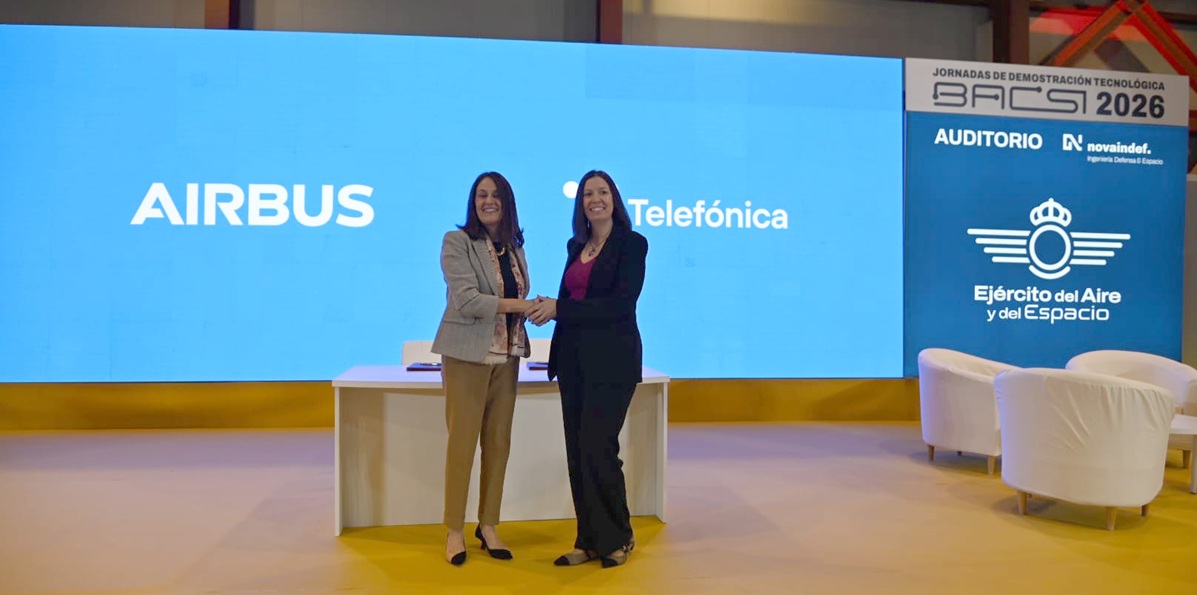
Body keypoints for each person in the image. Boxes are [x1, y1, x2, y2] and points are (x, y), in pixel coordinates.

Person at [526, 170, 648, 569]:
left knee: (599, 448)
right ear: (580, 204)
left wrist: (560, 308)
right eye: (588, 194)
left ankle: (619, 536)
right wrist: (549, 308)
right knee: (578, 453)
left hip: (612, 362)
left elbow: (620, 305)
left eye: (603, 192)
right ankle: (589, 540)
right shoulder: (575, 245)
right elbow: (572, 300)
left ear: (614, 199)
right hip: (573, 360)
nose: (596, 199)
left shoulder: (632, 244)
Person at [431, 171, 535, 566]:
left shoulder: (514, 247)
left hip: (507, 357)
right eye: (481, 195)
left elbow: (516, 294)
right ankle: (455, 530)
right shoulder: (457, 241)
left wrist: (535, 308)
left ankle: (488, 525)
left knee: (498, 444)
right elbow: (469, 301)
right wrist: (525, 306)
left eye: (495, 195)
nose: (487, 201)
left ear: (507, 203)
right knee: (462, 445)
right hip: (466, 358)